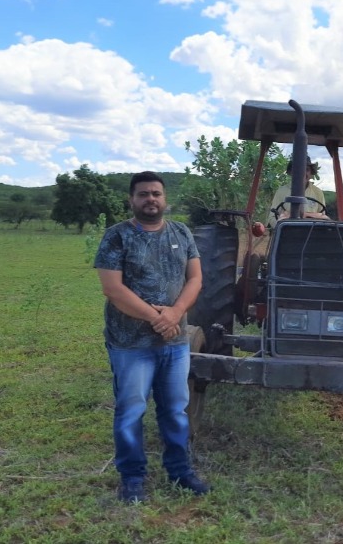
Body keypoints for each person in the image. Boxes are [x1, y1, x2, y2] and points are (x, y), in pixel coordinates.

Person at [94, 171, 210, 503]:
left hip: (175, 342)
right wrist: (158, 317)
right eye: (143, 194)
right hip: (130, 344)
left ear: (164, 199)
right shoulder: (117, 236)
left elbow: (195, 279)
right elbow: (112, 289)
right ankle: (132, 478)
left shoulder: (181, 232)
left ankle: (180, 471)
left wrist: (175, 314)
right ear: (132, 199)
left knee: (175, 410)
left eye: (156, 193)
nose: (151, 199)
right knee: (131, 411)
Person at [267, 155, 328, 228]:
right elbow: (272, 217)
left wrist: (305, 215)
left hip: (311, 231)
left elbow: (323, 218)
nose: (302, 173)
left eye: (307, 169)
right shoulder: (281, 191)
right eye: (298, 169)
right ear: (291, 172)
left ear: (311, 173)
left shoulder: (318, 192)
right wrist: (282, 227)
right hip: (287, 231)